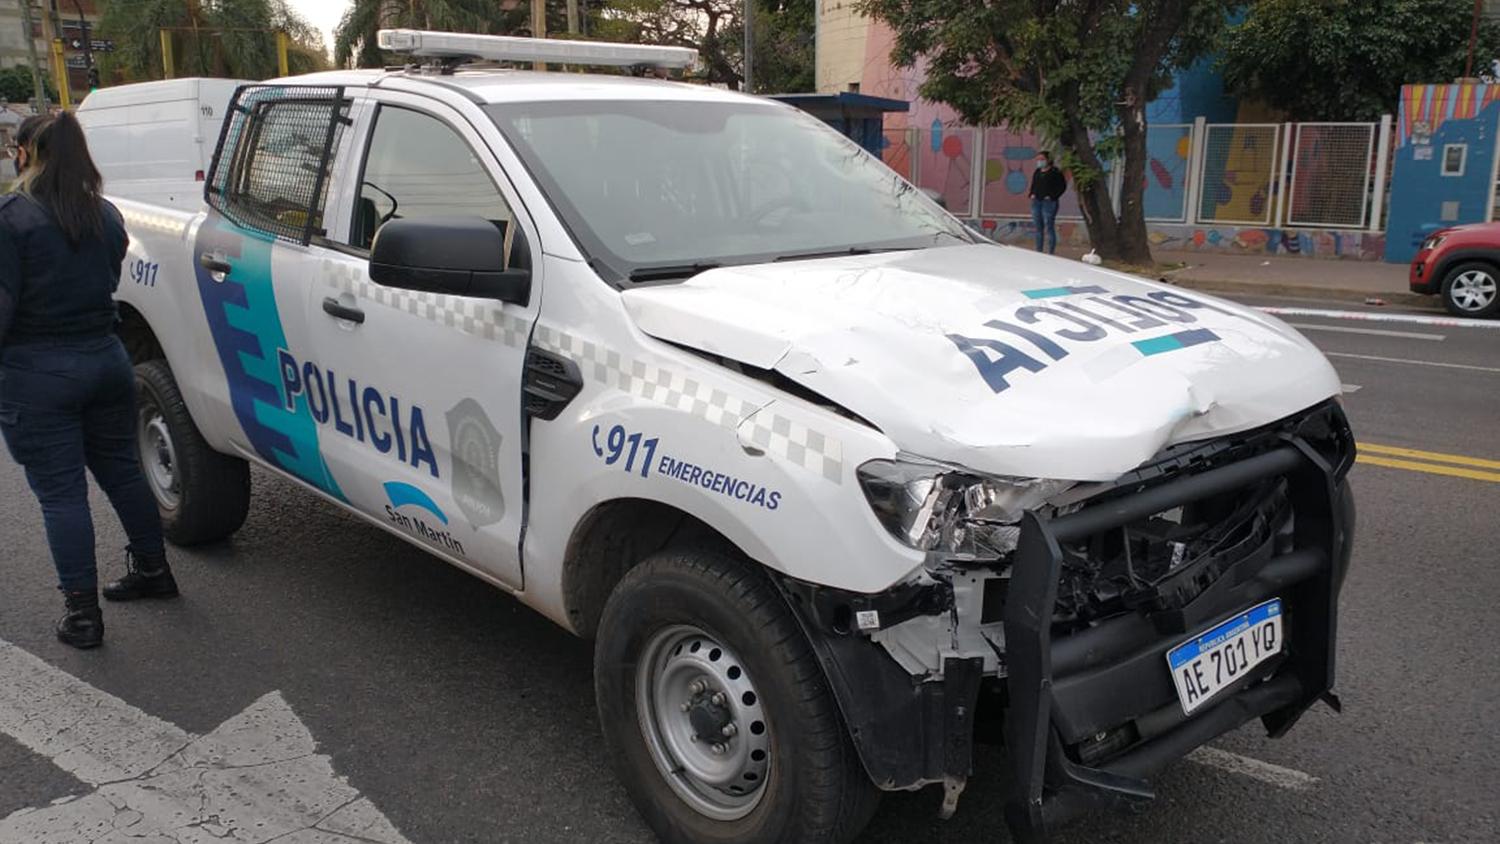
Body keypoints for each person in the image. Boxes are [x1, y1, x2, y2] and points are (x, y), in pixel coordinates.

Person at [0, 112, 178, 650]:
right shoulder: (104, 215)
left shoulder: (12, 217)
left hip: (39, 373)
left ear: (28, 152)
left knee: (61, 496)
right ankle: (153, 571)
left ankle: (82, 616)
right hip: (106, 360)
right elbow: (110, 278)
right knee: (123, 475)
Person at [1028, 150, 1067, 254]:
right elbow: (1034, 184)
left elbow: (1062, 187)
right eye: (1038, 160)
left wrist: (1052, 196)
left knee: (1049, 226)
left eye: (1042, 159)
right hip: (1036, 201)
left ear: (1048, 160)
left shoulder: (1055, 172)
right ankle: (1038, 251)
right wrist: (1031, 194)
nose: (1040, 162)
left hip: (1049, 203)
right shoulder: (1037, 171)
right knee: (1038, 227)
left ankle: (1051, 252)